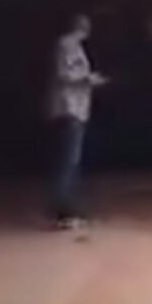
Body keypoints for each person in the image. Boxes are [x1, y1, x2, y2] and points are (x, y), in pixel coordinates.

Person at [46, 14, 106, 227]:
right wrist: (89, 79)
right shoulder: (66, 45)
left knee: (72, 162)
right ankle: (62, 212)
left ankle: (69, 208)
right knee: (68, 162)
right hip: (69, 108)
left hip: (77, 109)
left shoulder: (74, 46)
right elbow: (65, 74)